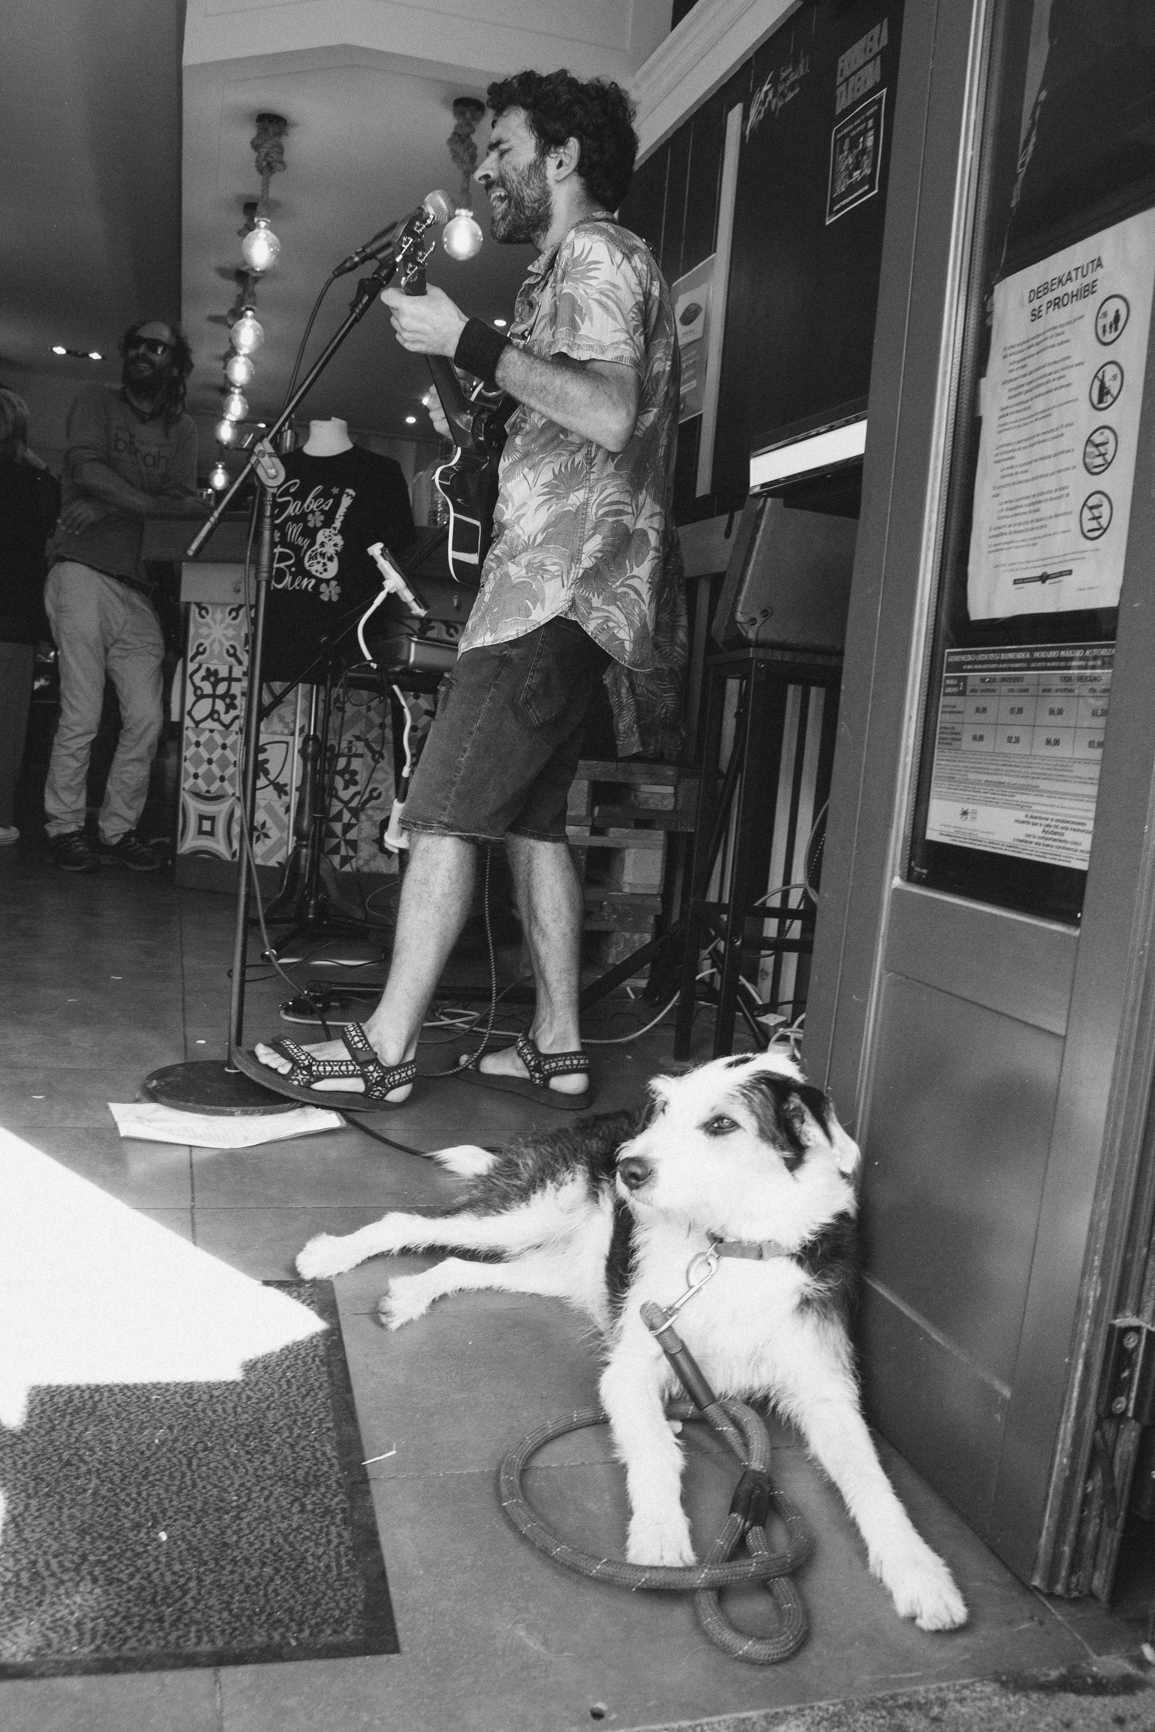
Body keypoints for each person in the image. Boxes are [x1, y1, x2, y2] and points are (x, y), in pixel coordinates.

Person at [248, 69, 679, 1109]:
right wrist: (472, 395)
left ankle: (386, 1047)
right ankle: (557, 1044)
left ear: (562, 157)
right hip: (575, 593)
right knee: (533, 826)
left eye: (502, 148)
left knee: (441, 812)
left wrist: (469, 340)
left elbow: (608, 411)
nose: (483, 169)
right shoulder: (562, 275)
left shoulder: (600, 252)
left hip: (553, 590)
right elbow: (557, 429)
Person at [42, 320, 205, 873]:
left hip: (137, 587)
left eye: (157, 347)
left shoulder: (182, 428)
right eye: (136, 344)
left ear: (173, 362)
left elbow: (183, 506)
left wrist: (111, 504)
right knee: (82, 712)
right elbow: (85, 469)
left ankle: (116, 830)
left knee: (147, 719)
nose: (143, 353)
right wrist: (147, 504)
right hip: (80, 569)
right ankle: (64, 827)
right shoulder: (96, 400)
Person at [0, 389, 60, 846]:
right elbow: (44, 543)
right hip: (14, 615)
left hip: (14, 615)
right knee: (7, 725)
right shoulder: (36, 485)